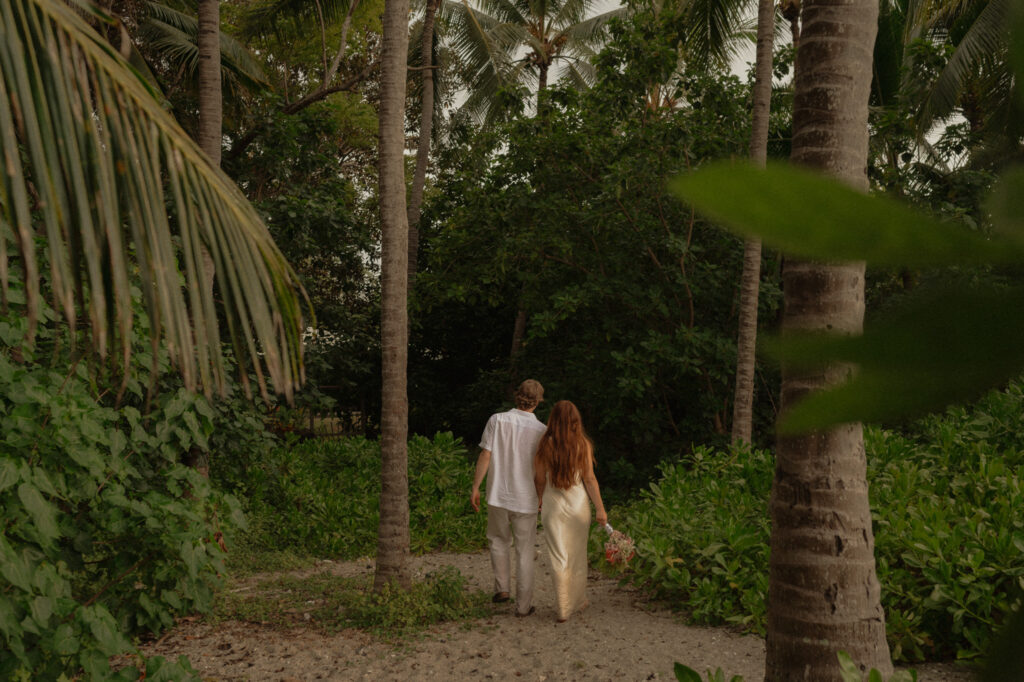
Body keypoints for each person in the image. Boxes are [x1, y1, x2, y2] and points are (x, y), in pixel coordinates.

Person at [471, 379, 547, 617]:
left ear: (517, 396)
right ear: (538, 401)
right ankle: (523, 607)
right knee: (525, 550)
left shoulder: (497, 420)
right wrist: (541, 496)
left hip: (498, 493)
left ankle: (502, 588)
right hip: (527, 497)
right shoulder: (542, 430)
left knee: (498, 539)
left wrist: (475, 486)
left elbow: (486, 454)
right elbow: (541, 470)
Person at [533, 400, 607, 623]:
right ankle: (576, 600)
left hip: (552, 506)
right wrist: (601, 510)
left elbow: (538, 478)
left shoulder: (544, 446)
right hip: (578, 506)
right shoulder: (582, 445)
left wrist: (539, 499)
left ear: (552, 420)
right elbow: (590, 479)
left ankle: (563, 607)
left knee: (558, 556)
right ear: (576, 421)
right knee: (576, 555)